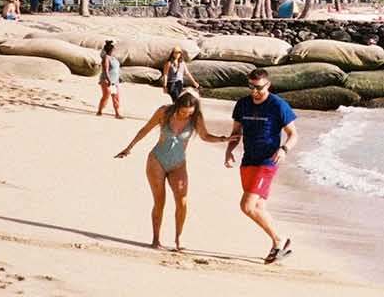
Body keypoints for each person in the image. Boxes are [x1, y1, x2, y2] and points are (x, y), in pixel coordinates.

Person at [114, 90, 222, 250]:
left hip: (178, 163)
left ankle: (179, 239)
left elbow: (205, 136)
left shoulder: (196, 117)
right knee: (160, 201)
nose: (186, 115)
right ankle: (156, 240)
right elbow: (146, 129)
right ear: (177, 106)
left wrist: (222, 139)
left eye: (190, 112)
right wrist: (129, 147)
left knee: (182, 201)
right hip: (157, 160)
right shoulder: (164, 112)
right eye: (183, 111)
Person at [226, 69, 298, 263]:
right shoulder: (242, 104)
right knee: (258, 206)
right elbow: (236, 132)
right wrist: (229, 150)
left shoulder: (278, 105)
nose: (254, 91)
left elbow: (294, 134)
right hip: (248, 160)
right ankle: (277, 246)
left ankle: (279, 240)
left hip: (268, 161)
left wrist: (283, 149)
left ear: (268, 85)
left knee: (246, 206)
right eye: (250, 87)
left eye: (258, 88)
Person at [95, 40, 124, 119]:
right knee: (106, 96)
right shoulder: (106, 58)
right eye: (113, 49)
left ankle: (117, 114)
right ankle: (99, 111)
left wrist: (118, 78)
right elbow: (106, 70)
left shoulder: (114, 58)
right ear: (110, 50)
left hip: (115, 81)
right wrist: (109, 80)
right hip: (106, 80)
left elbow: (116, 70)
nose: (114, 51)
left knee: (116, 96)